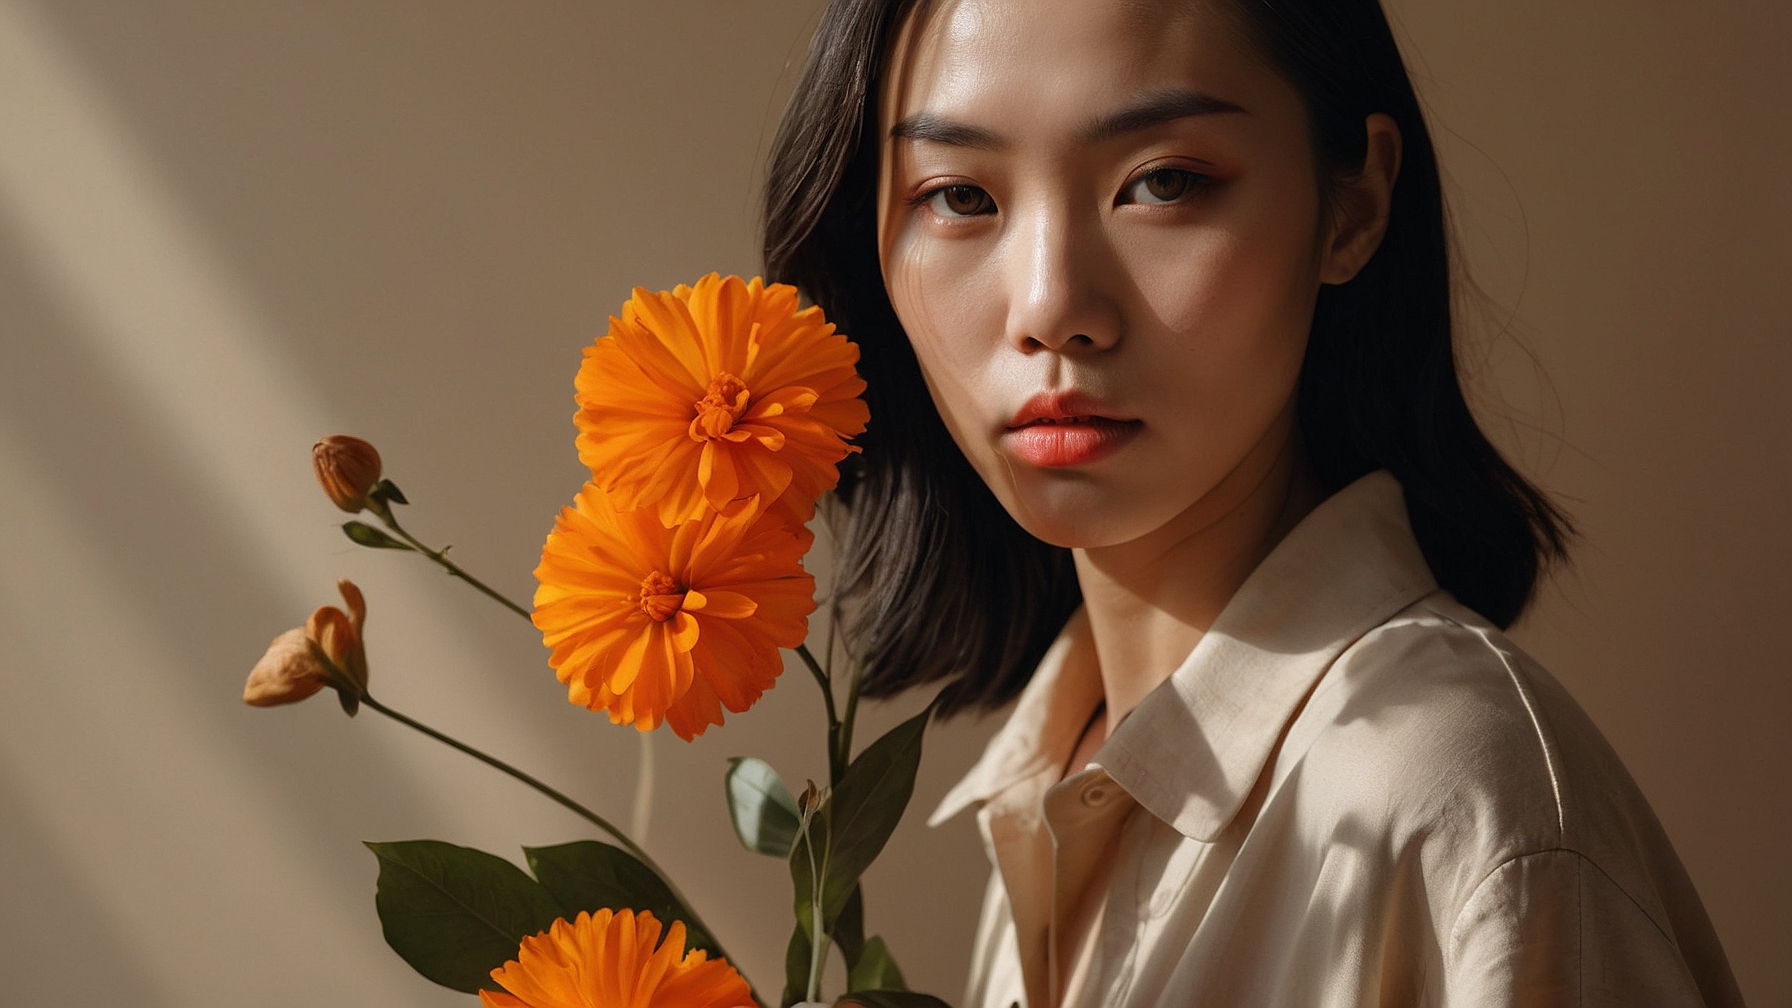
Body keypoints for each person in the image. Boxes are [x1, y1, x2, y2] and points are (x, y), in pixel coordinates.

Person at [763, 0, 1743, 1005]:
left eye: (1163, 182)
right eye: (961, 197)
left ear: (1353, 202)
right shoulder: (1064, 779)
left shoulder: (1457, 798)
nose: (1050, 304)